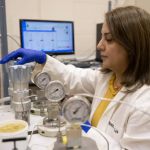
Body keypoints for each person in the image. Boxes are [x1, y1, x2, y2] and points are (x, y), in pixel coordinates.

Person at [1, 6, 150, 150]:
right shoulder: (108, 77)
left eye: (109, 39)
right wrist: (43, 59)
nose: (99, 45)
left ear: (132, 46)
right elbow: (71, 77)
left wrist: (85, 128)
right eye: (101, 37)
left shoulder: (144, 103)